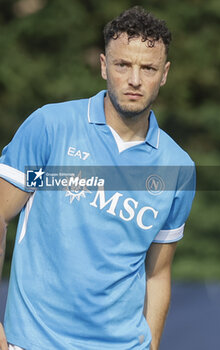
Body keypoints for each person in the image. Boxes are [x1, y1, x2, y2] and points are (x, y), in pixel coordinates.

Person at [0, 6, 195, 350]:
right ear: (105, 66)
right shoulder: (50, 126)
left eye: (147, 68)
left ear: (163, 74)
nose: (135, 80)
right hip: (34, 342)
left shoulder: (178, 168)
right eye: (123, 65)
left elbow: (158, 273)